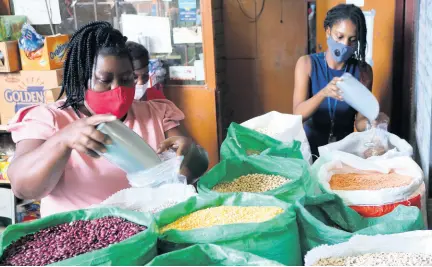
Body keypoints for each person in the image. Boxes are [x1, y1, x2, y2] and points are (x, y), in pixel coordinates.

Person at [6, 22, 209, 217]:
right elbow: (23, 189)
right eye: (104, 80)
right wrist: (62, 141)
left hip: (149, 234)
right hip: (81, 240)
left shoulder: (156, 114)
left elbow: (194, 169)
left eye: (127, 78)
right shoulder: (50, 120)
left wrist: (190, 152)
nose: (117, 89)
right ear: (81, 78)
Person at [293, 4, 387, 157]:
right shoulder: (306, 65)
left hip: (344, 153)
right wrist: (323, 93)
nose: (345, 45)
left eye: (352, 40)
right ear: (328, 31)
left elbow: (360, 121)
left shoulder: (363, 72)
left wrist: (373, 123)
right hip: (309, 151)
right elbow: (297, 114)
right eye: (340, 36)